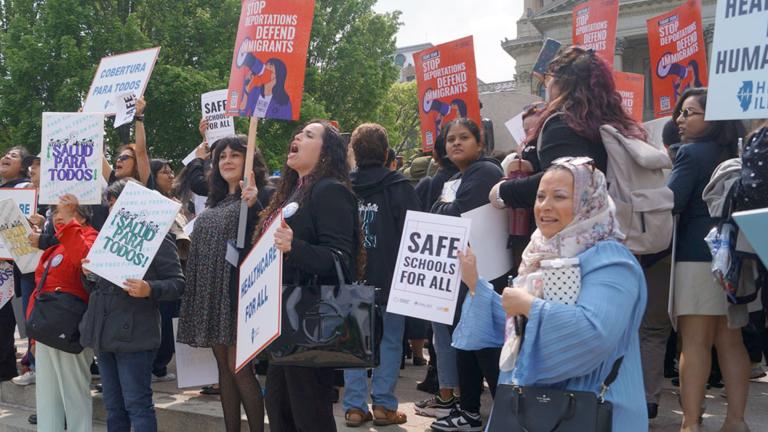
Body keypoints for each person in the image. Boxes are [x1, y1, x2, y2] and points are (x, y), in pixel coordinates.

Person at [456, 157, 648, 431]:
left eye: (559, 197)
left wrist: (531, 306)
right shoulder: (539, 254)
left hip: (593, 409)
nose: (545, 206)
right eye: (540, 196)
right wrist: (476, 284)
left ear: (588, 201)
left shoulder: (612, 262)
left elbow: (594, 332)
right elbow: (519, 331)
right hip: (538, 409)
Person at [262, 120, 361, 432]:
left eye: (309, 135)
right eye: (298, 133)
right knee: (280, 410)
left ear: (327, 153)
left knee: (309, 414)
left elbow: (341, 261)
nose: (297, 137)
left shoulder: (329, 191)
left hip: (312, 319)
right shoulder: (293, 193)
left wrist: (295, 247)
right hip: (284, 320)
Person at [667, 87, 750, 432]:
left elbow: (671, 201)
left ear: (712, 117)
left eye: (689, 113)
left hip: (696, 256)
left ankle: (690, 424)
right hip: (736, 256)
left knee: (695, 342)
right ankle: (735, 422)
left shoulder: (691, 154)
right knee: (731, 341)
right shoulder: (745, 152)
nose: (680, 120)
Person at [177, 136, 272, 432]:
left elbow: (266, 235)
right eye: (222, 157)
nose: (227, 160)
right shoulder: (215, 200)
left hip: (236, 293)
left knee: (240, 369)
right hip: (210, 291)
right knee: (224, 370)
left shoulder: (262, 195)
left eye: (235, 155)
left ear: (250, 160)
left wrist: (256, 202)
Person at [78, 179, 185, 431]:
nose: (114, 211)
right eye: (111, 206)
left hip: (136, 335)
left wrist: (149, 289)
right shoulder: (106, 238)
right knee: (114, 406)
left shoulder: (158, 238)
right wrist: (88, 274)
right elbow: (96, 289)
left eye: (120, 205)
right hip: (105, 334)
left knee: (137, 404)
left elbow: (178, 284)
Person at [421, 118, 504, 427]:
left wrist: (441, 209)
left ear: (479, 143)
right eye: (450, 139)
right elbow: (438, 213)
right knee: (466, 342)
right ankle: (469, 410)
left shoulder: (485, 171)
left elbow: (452, 214)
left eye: (464, 137)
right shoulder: (458, 176)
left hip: (485, 275)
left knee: (485, 347)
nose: (455, 143)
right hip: (466, 275)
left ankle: (504, 412)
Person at [491, 46, 647, 209]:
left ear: (561, 82)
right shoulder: (618, 123)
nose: (546, 85)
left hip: (580, 228)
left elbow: (561, 181)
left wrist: (503, 191)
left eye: (548, 78)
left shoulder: (563, 124)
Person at [343, 123, 419, 427]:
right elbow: (415, 237)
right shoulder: (401, 187)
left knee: (353, 344)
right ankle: (385, 406)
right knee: (390, 340)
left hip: (352, 278)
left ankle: (354, 407)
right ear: (387, 153)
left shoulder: (342, 187)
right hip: (393, 279)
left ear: (355, 154)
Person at [30, 195, 97, 432]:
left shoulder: (92, 237)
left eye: (64, 210)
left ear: (82, 213)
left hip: (73, 330)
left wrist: (70, 223)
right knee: (47, 396)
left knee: (74, 393)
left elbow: (85, 260)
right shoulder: (54, 248)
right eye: (55, 212)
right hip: (47, 330)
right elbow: (39, 291)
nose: (58, 216)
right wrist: (33, 335)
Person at [0, 145, 32, 382]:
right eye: (6, 154)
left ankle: (7, 369)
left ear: (23, 166)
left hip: (15, 267)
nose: (6, 157)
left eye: (13, 156)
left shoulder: (27, 190)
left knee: (6, 320)